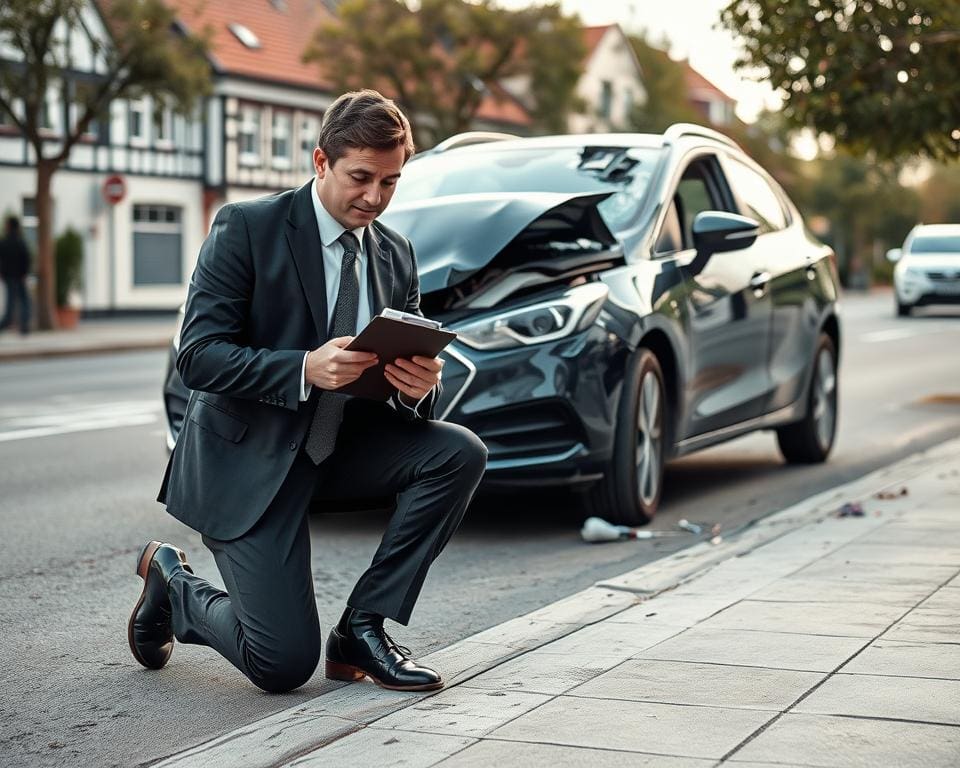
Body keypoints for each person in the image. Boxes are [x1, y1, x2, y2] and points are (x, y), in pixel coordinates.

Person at [129, 90, 487, 694]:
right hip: (248, 463)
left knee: (459, 452)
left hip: (336, 452)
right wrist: (303, 368)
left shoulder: (395, 255)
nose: (375, 197)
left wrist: (419, 388)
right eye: (361, 178)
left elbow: (406, 376)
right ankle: (176, 585)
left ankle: (362, 630)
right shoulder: (247, 227)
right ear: (321, 162)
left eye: (391, 181)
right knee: (282, 666)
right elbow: (196, 357)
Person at [0, 216, 32, 334]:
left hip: (9, 277)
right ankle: (24, 326)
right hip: (19, 277)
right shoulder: (20, 241)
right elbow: (27, 258)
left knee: (11, 303)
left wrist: (2, 273)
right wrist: (25, 273)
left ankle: (5, 323)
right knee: (24, 301)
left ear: (9, 226)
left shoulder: (4, 241)